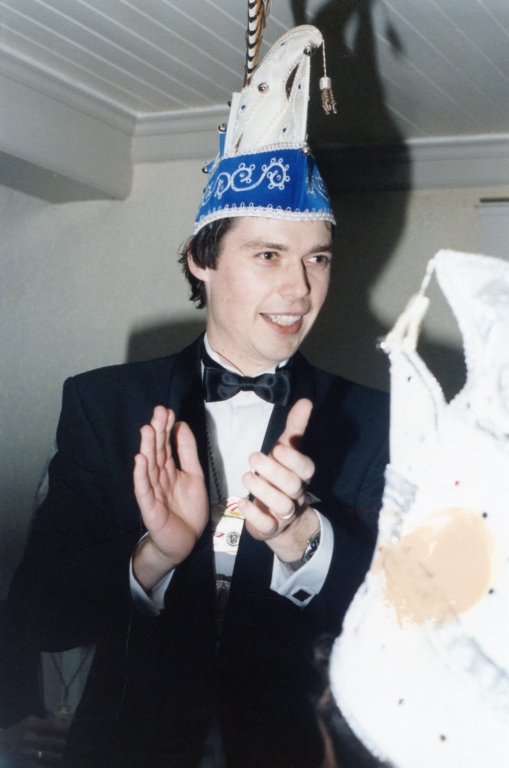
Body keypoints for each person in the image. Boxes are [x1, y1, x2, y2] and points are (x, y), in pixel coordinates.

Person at [8, 24, 389, 768]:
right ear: (201, 260)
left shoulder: (375, 420)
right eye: (268, 254)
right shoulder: (102, 405)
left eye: (317, 258)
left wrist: (303, 542)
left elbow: (415, 623)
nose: (299, 288)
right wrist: (154, 555)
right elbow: (38, 616)